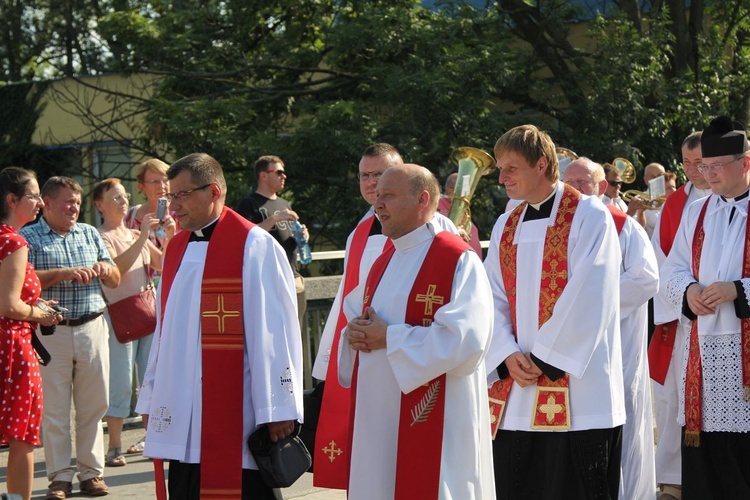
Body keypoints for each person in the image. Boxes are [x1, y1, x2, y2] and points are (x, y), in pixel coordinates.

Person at [135, 153, 303, 499]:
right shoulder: (177, 247)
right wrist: (151, 397)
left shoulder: (254, 246)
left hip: (236, 406)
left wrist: (278, 407)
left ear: (213, 191)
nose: (172, 205)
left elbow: (276, 332)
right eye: (169, 196)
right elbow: (165, 330)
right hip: (183, 403)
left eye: (181, 195)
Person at [484, 125, 625, 499]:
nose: (502, 178)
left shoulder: (589, 216)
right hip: (515, 387)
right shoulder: (506, 224)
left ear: (542, 164)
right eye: (499, 168)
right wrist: (506, 354)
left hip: (579, 392)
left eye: (511, 168)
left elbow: (591, 293)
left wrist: (544, 359)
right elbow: (491, 296)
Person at [339, 164, 495, 499]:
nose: (377, 204)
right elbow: (359, 317)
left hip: (436, 423)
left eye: (388, 196)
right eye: (376, 196)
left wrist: (390, 338)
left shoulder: (456, 259)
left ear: (422, 199)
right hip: (378, 418)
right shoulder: (384, 261)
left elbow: (467, 340)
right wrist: (352, 335)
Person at [310, 143, 459, 489]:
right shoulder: (358, 233)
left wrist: (393, 338)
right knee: (374, 465)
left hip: (418, 367)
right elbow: (349, 297)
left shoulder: (440, 230)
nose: (372, 184)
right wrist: (339, 350)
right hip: (371, 364)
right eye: (365, 176)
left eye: (381, 175)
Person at [661, 115, 750, 499]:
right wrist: (689, 290)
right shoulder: (697, 212)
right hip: (703, 357)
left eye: (716, 166)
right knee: (706, 466)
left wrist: (739, 289)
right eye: (704, 167)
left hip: (744, 352)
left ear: (745, 163)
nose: (708, 175)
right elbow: (671, 269)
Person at [563, 157, 659, 500]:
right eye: (568, 181)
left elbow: (646, 280)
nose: (573, 188)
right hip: (567, 346)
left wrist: (590, 305)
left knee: (624, 420)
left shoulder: (623, 227)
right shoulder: (555, 229)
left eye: (583, 182)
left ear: (602, 187)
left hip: (616, 343)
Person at [20, 176, 121, 499]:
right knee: (55, 409)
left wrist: (106, 270)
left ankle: (91, 474)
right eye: (67, 201)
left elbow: (116, 279)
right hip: (52, 332)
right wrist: (64, 274)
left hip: (92, 327)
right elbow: (22, 280)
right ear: (46, 204)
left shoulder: (90, 233)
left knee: (94, 406)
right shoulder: (28, 237)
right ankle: (60, 477)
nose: (74, 208)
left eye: (77, 202)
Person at [93, 178, 175, 469]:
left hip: (146, 312)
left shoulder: (133, 232)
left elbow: (164, 264)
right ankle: (114, 445)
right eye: (115, 197)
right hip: (118, 316)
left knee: (150, 379)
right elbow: (114, 272)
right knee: (120, 383)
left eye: (125, 196)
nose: (123, 201)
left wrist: (170, 234)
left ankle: (152, 438)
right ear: (99, 204)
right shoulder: (99, 236)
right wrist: (142, 237)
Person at [650, 131, 712, 500]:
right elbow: (661, 262)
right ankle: (674, 478)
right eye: (686, 163)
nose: (693, 170)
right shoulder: (675, 203)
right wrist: (685, 297)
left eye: (700, 162)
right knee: (674, 398)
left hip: (726, 313)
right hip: (684, 315)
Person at [0, 167, 62, 500]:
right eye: (34, 195)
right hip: (12, 345)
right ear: (12, 200)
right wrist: (39, 313)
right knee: (22, 436)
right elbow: (8, 305)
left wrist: (33, 303)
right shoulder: (12, 240)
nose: (40, 202)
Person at [121, 158, 171, 455]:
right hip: (138, 298)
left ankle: (162, 428)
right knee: (144, 371)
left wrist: (172, 230)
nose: (162, 186)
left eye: (164, 180)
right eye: (155, 181)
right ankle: (146, 431)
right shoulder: (130, 218)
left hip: (166, 297)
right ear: (141, 187)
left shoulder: (177, 213)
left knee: (164, 366)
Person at [236, 155, 307, 328]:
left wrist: (303, 235)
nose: (284, 176)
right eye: (279, 172)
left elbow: (290, 239)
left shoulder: (285, 203)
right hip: (267, 281)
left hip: (293, 277)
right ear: (263, 175)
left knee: (295, 331)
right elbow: (245, 238)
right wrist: (274, 218)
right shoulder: (249, 204)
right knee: (272, 332)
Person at [437, 172, 482, 254]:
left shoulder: (463, 208)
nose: (466, 194)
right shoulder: (437, 205)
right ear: (450, 190)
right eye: (464, 190)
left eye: (467, 190)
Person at [628, 162, 667, 237]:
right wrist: (641, 212)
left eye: (660, 176)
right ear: (645, 180)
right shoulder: (638, 199)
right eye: (653, 177)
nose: (657, 180)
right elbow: (634, 229)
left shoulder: (672, 195)